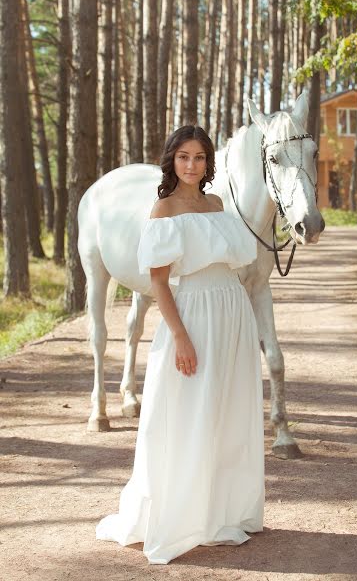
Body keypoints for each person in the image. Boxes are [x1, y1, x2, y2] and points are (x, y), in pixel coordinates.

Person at [95, 125, 265, 565]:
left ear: (209, 164)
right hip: (194, 315)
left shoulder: (217, 205)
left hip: (231, 312)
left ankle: (221, 509)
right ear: (171, 160)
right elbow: (159, 283)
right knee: (189, 412)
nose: (192, 165)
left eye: (200, 158)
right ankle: (183, 514)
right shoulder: (163, 210)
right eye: (184, 157)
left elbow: (235, 265)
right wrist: (181, 337)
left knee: (228, 411)